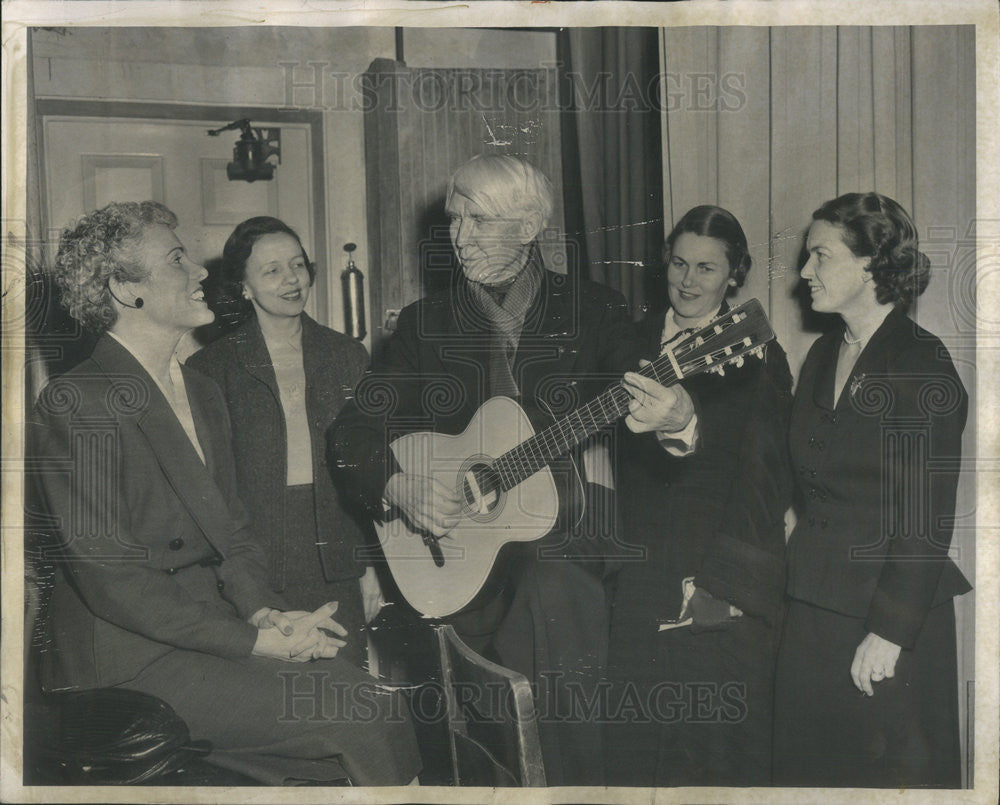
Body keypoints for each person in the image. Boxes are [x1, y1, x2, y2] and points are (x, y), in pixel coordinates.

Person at [30, 201, 420, 785]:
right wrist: (253, 639)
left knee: (368, 694)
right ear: (123, 288)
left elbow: (233, 534)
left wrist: (264, 609)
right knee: (359, 711)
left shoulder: (202, 390)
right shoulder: (76, 402)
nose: (201, 272)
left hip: (205, 631)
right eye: (177, 259)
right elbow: (113, 580)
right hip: (127, 658)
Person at [330, 155, 689, 786]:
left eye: (479, 220)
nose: (459, 237)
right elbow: (352, 434)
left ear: (528, 228)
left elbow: (647, 396)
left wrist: (676, 417)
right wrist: (400, 487)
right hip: (460, 560)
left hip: (569, 551)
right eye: (454, 220)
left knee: (555, 592)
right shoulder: (424, 325)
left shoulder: (597, 312)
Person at [773, 192, 970, 787]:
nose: (805, 272)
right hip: (814, 605)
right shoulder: (821, 355)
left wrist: (888, 631)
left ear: (872, 265)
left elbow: (924, 518)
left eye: (820, 256)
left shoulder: (922, 366)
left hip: (888, 622)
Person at [604, 205, 794, 786]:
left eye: (707, 270)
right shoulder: (625, 342)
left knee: (706, 749)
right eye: (679, 264)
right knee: (634, 744)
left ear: (734, 276)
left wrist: (723, 586)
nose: (688, 282)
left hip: (710, 567)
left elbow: (766, 480)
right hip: (632, 566)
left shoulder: (757, 354)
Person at [187, 217, 376, 669]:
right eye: (271, 270)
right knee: (276, 703)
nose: (291, 279)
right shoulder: (210, 368)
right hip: (253, 563)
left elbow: (370, 472)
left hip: (336, 555)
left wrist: (370, 568)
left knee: (346, 694)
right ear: (244, 286)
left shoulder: (348, 356)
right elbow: (211, 493)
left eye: (297, 265)